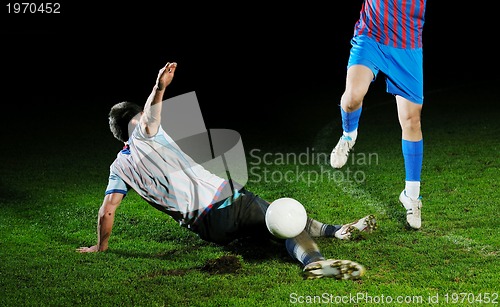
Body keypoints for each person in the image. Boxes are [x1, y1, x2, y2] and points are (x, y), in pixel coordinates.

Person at [76, 61, 377, 280]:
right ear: (137, 118)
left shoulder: (119, 167)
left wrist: (100, 247)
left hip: (206, 228)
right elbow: (149, 119)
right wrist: (159, 87)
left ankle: (336, 231)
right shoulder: (144, 131)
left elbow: (107, 211)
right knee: (285, 219)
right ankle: (315, 261)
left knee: (268, 219)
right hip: (224, 202)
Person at [330, 0, 427, 229]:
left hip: (408, 45)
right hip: (372, 37)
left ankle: (411, 195)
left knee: (412, 119)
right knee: (353, 96)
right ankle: (348, 135)